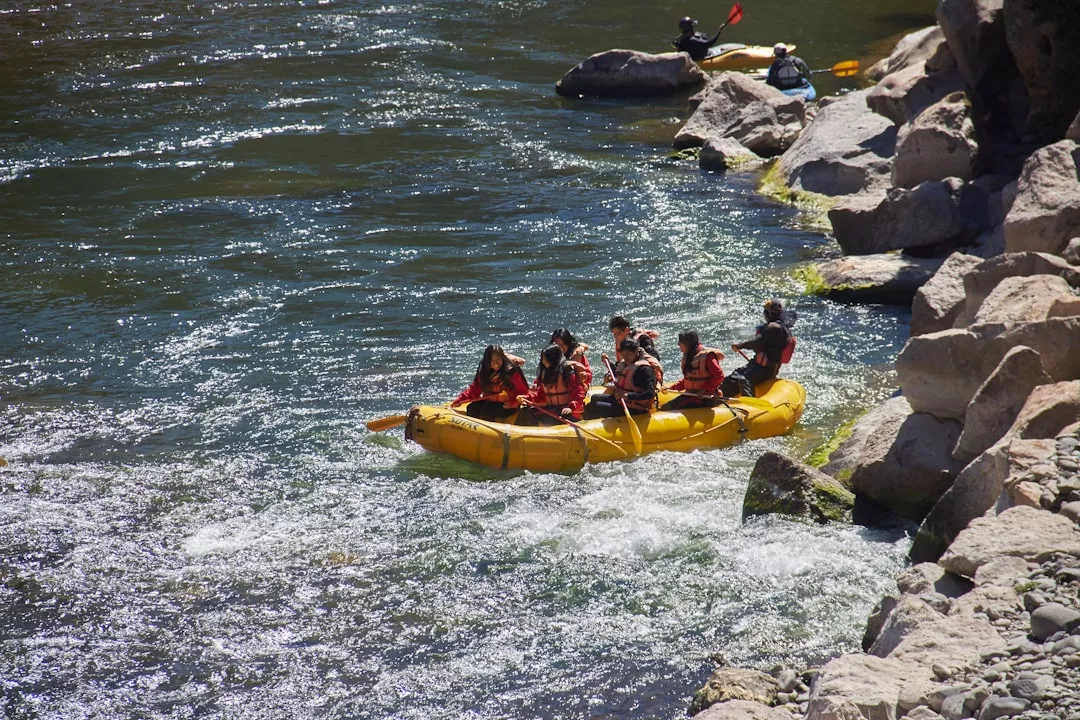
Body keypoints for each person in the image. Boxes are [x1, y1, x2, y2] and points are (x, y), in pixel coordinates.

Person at [722, 299, 797, 397]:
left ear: (768, 313)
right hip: (759, 366)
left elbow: (756, 343)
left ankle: (749, 404)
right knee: (730, 379)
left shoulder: (773, 327)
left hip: (765, 369)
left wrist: (740, 346)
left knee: (744, 379)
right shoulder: (781, 327)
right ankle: (717, 400)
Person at [452, 344, 531, 422]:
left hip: (508, 405)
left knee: (487, 412)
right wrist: (460, 399)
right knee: (472, 408)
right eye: (491, 361)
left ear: (503, 358)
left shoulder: (511, 371)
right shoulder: (483, 370)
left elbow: (523, 391)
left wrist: (513, 403)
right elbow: (475, 388)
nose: (495, 363)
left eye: (498, 359)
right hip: (490, 402)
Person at [585, 339, 658, 419]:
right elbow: (620, 374)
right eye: (623, 354)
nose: (625, 357)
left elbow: (650, 393)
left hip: (635, 408)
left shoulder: (644, 369)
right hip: (622, 401)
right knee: (595, 398)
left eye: (628, 354)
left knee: (594, 407)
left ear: (636, 351)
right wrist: (608, 363)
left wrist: (628, 396)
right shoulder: (627, 363)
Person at [516, 344, 587, 425]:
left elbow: (579, 392)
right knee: (528, 411)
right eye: (543, 358)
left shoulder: (566, 371)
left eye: (545, 358)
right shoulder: (545, 373)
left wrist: (571, 408)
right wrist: (527, 398)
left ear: (553, 358)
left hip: (567, 412)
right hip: (552, 410)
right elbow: (541, 395)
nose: (543, 361)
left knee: (545, 416)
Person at [662, 330, 726, 410]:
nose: (678, 344)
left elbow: (719, 376)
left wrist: (705, 389)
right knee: (666, 407)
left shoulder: (707, 356)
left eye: (680, 342)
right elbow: (690, 380)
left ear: (688, 343)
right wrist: (672, 387)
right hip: (692, 395)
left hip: (706, 397)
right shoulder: (689, 356)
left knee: (670, 408)